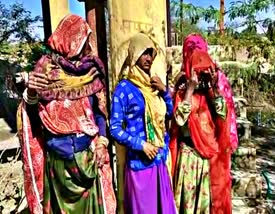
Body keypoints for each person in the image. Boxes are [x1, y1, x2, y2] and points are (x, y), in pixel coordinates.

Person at [17, 14, 116, 214]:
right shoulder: (45, 70)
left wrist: (102, 143)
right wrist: (32, 93)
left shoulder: (90, 71)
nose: (86, 48)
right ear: (68, 39)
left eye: (86, 42)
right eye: (82, 41)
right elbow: (34, 121)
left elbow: (100, 113)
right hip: (58, 166)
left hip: (87, 161)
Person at [169, 34, 238, 214]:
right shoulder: (183, 89)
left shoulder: (211, 90)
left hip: (207, 160)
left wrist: (213, 90)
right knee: (189, 206)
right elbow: (179, 119)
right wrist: (190, 89)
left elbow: (223, 116)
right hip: (189, 158)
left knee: (206, 207)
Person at [109, 33, 176, 214]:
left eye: (150, 54)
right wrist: (141, 145)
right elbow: (114, 129)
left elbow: (169, 114)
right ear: (134, 55)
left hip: (159, 160)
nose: (148, 58)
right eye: (144, 53)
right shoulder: (124, 88)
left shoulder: (153, 84)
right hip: (140, 166)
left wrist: (165, 92)